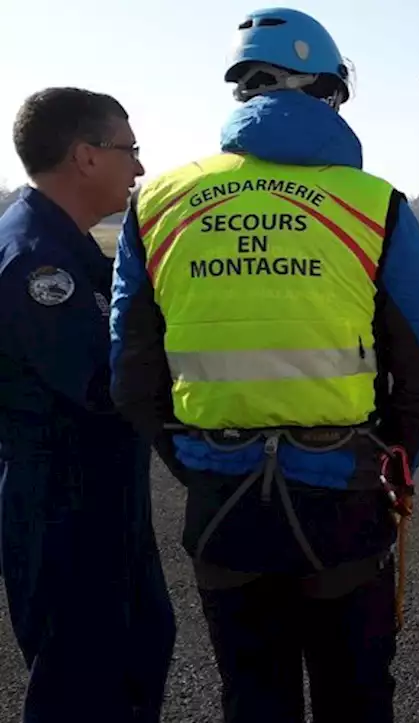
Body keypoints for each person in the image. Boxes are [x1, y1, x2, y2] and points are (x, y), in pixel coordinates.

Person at [108, 8, 419, 722]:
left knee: (253, 696)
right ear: (324, 92)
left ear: (246, 92)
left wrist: (197, 460)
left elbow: (132, 374)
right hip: (343, 503)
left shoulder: (158, 205)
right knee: (354, 697)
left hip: (221, 505)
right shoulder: (373, 204)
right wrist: (386, 463)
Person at [0, 87, 176, 721]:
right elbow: (107, 387)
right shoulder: (39, 265)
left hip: (100, 505)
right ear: (85, 157)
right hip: (66, 515)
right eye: (128, 150)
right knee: (82, 686)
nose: (138, 168)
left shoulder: (65, 248)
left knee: (140, 652)